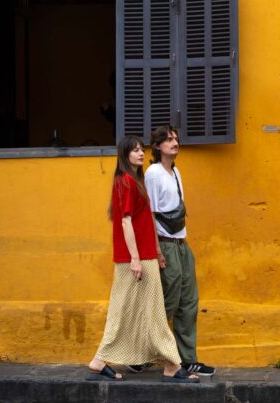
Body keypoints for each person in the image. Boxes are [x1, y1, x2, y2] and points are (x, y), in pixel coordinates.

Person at [86, 136, 198, 383]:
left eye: (140, 149)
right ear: (125, 155)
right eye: (134, 150)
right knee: (143, 311)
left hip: (144, 255)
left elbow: (144, 221)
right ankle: (170, 364)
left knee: (138, 311)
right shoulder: (125, 182)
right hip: (134, 259)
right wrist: (136, 259)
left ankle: (102, 360)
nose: (140, 153)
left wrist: (155, 253)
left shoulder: (134, 181)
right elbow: (125, 221)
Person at [145, 125, 215, 376]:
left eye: (176, 138)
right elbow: (149, 214)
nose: (175, 142)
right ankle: (145, 354)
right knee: (169, 302)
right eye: (168, 140)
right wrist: (157, 251)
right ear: (157, 147)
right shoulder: (153, 173)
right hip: (164, 244)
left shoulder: (175, 172)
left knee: (189, 302)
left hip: (181, 244)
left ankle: (187, 359)